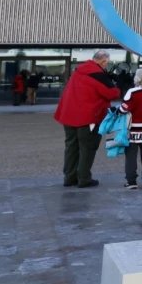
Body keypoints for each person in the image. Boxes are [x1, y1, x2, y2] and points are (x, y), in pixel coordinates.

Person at [54, 51, 120, 189]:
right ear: (103, 61)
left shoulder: (78, 72)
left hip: (69, 115)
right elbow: (113, 93)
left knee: (71, 147)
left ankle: (69, 177)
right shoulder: (99, 75)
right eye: (107, 62)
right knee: (87, 148)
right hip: (88, 117)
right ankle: (84, 178)